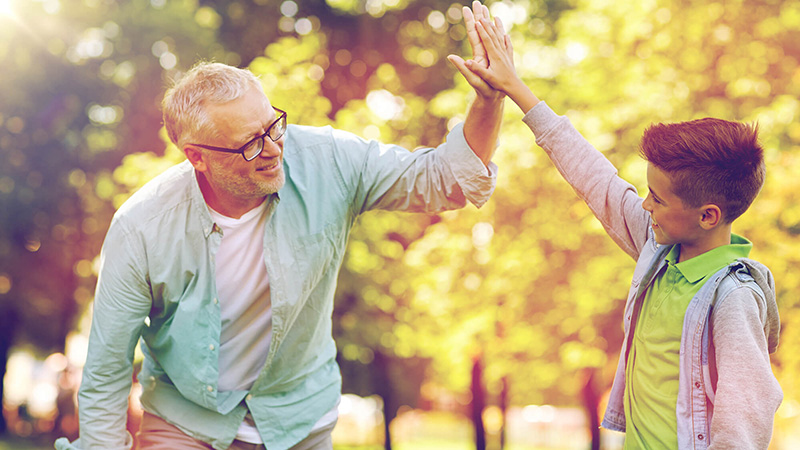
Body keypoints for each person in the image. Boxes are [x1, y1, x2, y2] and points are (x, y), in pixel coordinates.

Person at [54, 3, 505, 449]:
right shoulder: (141, 228)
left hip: (299, 419)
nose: (272, 148)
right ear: (198, 158)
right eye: (250, 143)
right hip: (185, 422)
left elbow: (449, 181)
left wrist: (488, 99)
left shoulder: (328, 161)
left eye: (273, 126)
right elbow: (108, 367)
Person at [460, 16, 783, 449]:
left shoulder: (731, 299)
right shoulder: (660, 253)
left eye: (658, 199)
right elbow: (596, 180)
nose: (644, 204)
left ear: (708, 216)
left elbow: (747, 413)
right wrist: (517, 89)